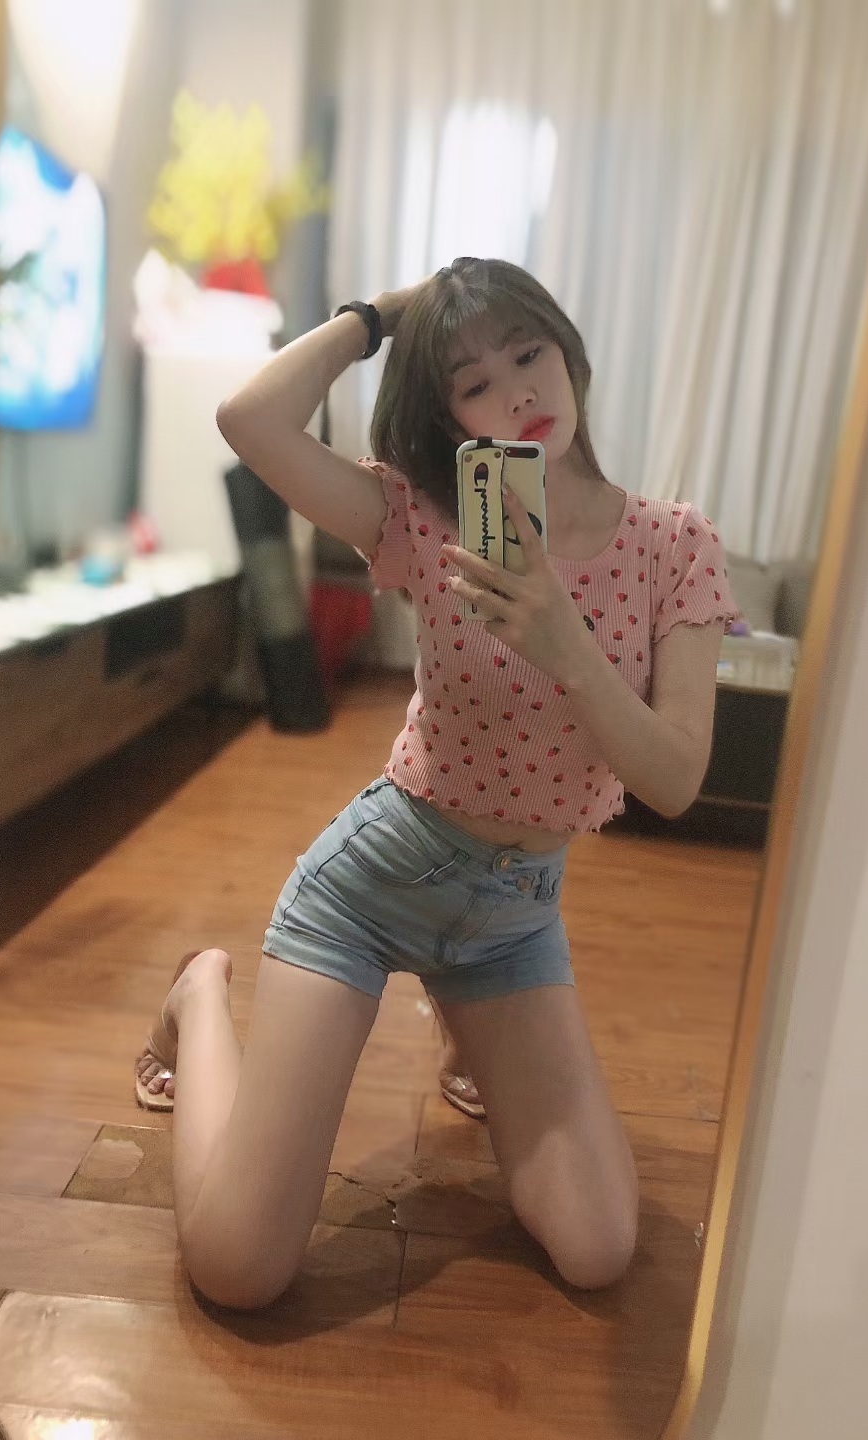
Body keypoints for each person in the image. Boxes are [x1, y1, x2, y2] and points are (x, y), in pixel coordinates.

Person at [133, 257, 737, 1308]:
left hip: (512, 927)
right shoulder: (423, 519)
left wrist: (566, 646)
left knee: (599, 1247)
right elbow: (249, 422)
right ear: (448, 417)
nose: (517, 392)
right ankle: (201, 993)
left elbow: (677, 779)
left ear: (570, 353)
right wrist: (380, 317)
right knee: (237, 1268)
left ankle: (472, 1031)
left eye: (529, 353)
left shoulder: (672, 546)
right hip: (372, 890)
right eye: (473, 382)